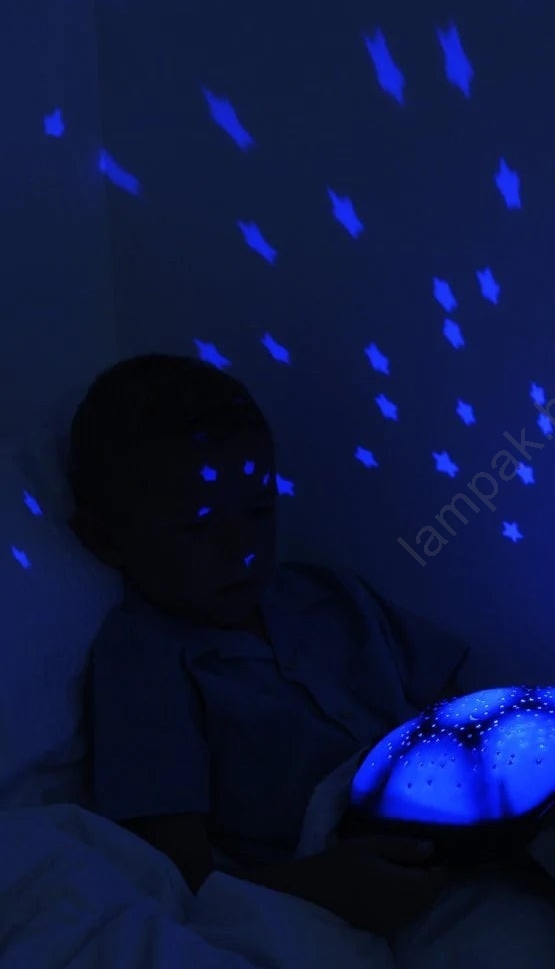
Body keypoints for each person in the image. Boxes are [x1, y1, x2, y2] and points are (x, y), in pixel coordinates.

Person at [68, 353, 469, 936]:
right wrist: (328, 888)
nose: (244, 550)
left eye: (259, 511)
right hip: (345, 881)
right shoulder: (143, 660)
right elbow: (180, 879)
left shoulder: (328, 596)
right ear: (106, 541)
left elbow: (464, 708)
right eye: (199, 527)